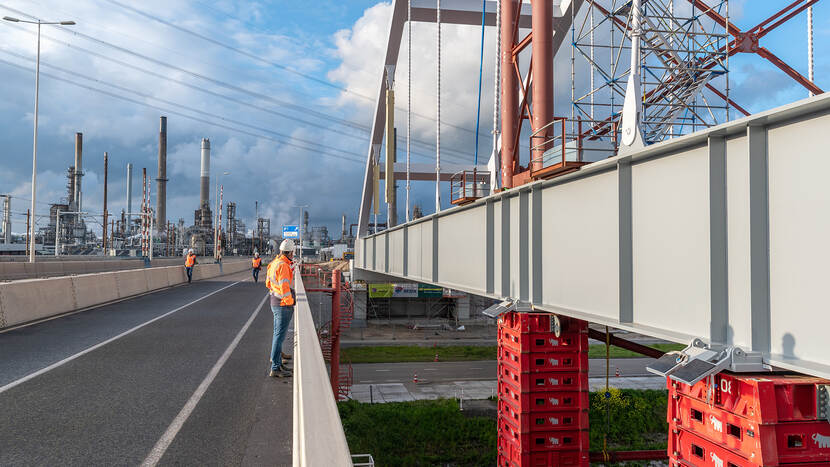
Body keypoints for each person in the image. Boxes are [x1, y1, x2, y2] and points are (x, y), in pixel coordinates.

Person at [266, 239, 296, 377]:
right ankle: (275, 367)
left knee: (277, 335)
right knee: (279, 336)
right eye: (293, 253)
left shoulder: (274, 263)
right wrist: (290, 301)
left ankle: (278, 363)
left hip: (274, 301)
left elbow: (268, 283)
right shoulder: (283, 265)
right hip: (282, 305)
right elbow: (284, 287)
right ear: (290, 252)